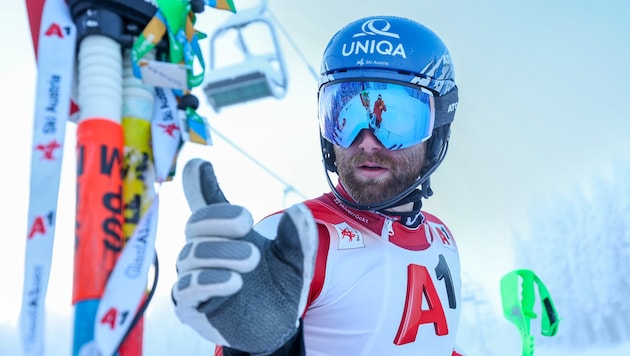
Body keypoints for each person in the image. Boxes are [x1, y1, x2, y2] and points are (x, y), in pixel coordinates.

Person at [172, 15, 463, 355]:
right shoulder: (298, 239)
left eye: (395, 121)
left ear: (437, 128)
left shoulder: (441, 238)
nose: (367, 141)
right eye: (345, 116)